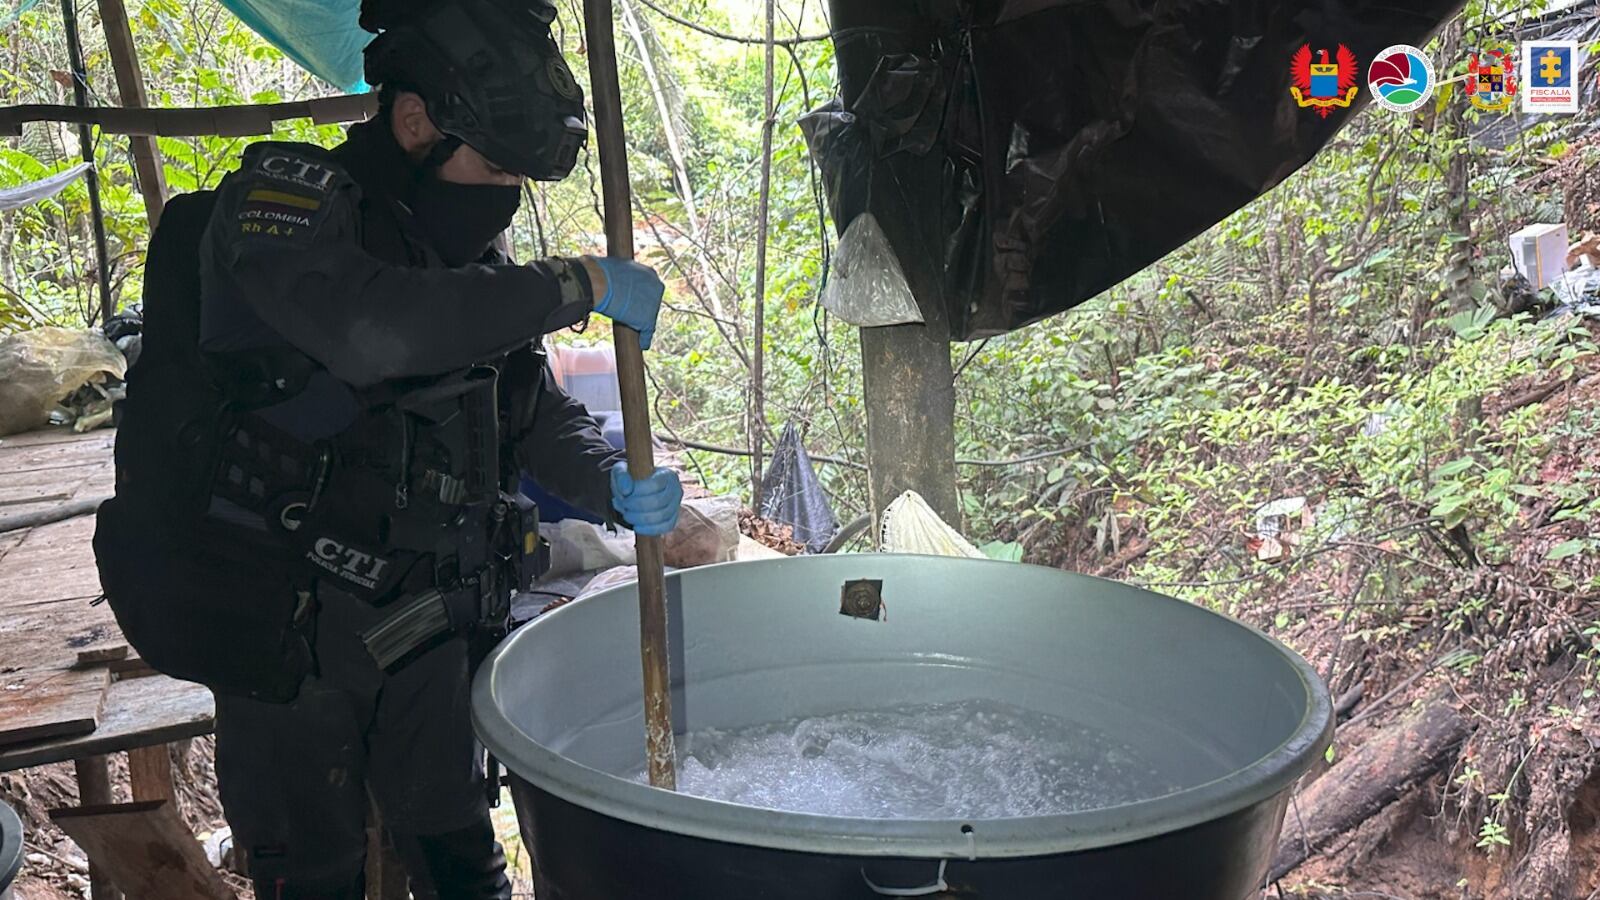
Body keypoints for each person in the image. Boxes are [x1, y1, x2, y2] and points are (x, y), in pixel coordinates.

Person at [92, 1, 680, 897]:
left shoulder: (467, 251)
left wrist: (608, 480)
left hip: (427, 627)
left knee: (457, 857)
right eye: (493, 167)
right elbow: (372, 332)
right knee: (315, 872)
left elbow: (522, 402)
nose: (503, 196)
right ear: (415, 124)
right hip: (286, 632)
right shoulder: (277, 211)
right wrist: (576, 283)